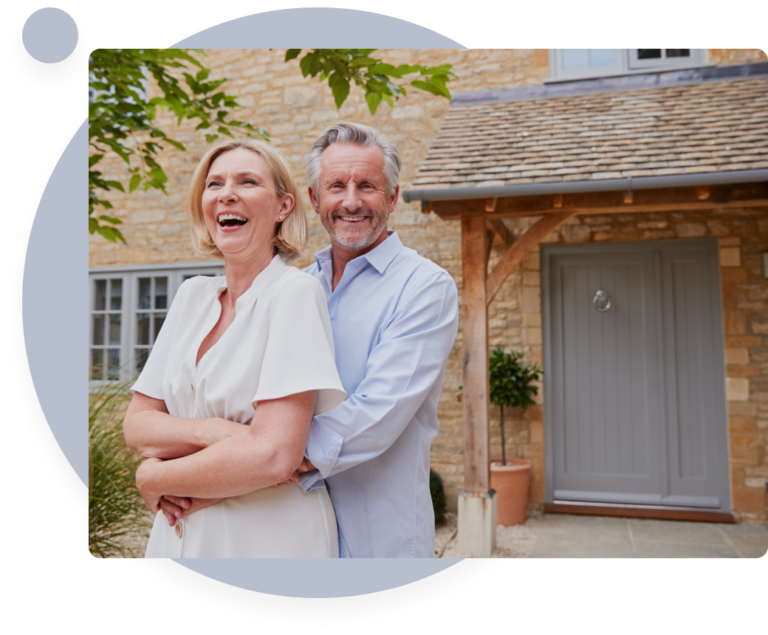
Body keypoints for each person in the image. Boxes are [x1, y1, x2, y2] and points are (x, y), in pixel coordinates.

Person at [123, 138, 346, 558]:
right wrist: (217, 432)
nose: (227, 193)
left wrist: (155, 478)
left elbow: (276, 455)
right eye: (215, 183)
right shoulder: (192, 296)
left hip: (270, 537)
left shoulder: (294, 293)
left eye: (247, 182)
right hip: (178, 533)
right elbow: (137, 425)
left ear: (283, 207)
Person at [295, 122, 459, 557]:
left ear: (391, 197)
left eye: (366, 185)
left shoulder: (425, 287)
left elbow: (377, 413)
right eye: (336, 186)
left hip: (378, 541)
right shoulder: (296, 289)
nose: (351, 201)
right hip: (291, 528)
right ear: (315, 199)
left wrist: (262, 459)